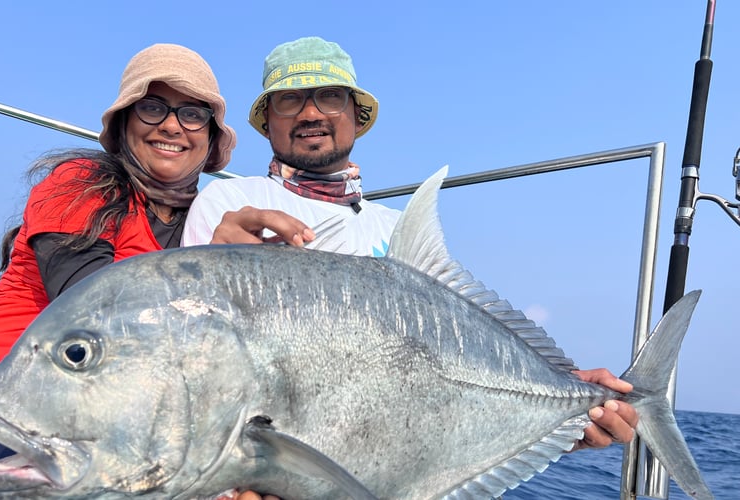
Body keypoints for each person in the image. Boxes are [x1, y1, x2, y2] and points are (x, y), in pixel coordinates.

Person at [183, 36, 638, 457]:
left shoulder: (397, 228)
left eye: (330, 96)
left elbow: (452, 362)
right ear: (267, 123)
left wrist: (560, 401)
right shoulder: (231, 203)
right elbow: (198, 364)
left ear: (356, 118)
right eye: (289, 100)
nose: (310, 114)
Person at [0, 43, 236, 500]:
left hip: (112, 427)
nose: (171, 124)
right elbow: (98, 312)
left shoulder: (209, 222)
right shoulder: (79, 182)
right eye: (152, 106)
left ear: (210, 137)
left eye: (192, 114)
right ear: (124, 123)